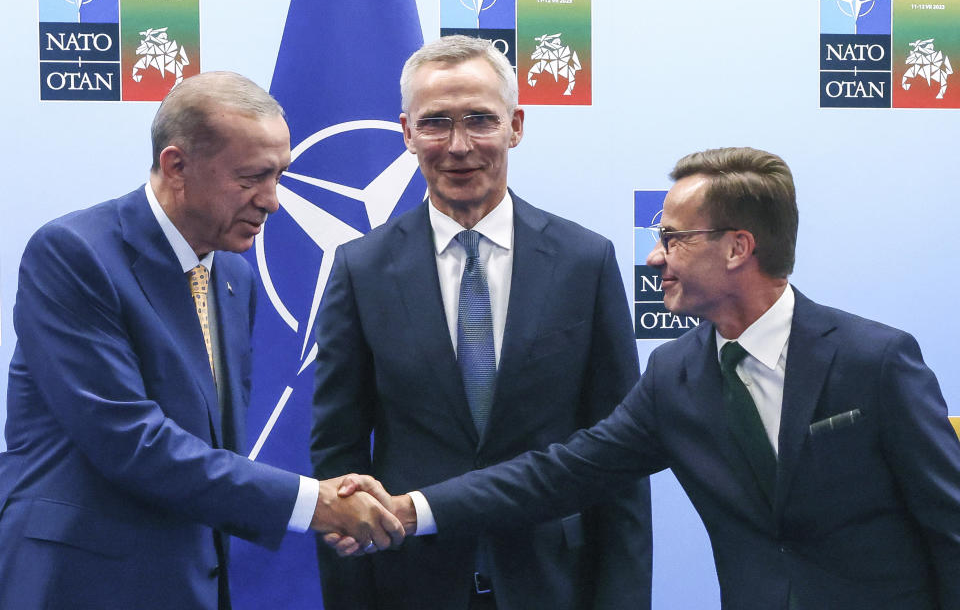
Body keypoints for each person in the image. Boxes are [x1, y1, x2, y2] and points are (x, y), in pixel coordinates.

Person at [338, 147, 960, 610]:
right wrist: (412, 508)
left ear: (738, 248)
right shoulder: (676, 376)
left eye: (671, 238)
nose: (655, 257)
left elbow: (949, 521)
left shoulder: (875, 361)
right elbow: (560, 474)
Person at [0, 72, 402, 610]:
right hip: (80, 581)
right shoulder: (74, 254)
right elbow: (129, 440)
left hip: (191, 581)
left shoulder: (234, 278)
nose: (273, 202)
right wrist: (313, 503)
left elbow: (213, 449)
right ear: (176, 166)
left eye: (280, 175)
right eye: (252, 178)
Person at [310, 35, 652, 610]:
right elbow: (339, 462)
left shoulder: (585, 262)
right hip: (410, 585)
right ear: (407, 132)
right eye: (436, 123)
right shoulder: (360, 269)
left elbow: (618, 459)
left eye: (480, 120)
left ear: (516, 126)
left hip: (553, 584)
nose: (459, 145)